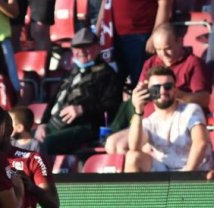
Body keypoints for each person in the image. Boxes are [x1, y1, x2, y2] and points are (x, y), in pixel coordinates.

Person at [105, 23, 212, 155]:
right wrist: (138, 96)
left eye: (168, 48)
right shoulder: (150, 63)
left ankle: (152, 168)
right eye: (158, 49)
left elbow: (204, 99)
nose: (163, 54)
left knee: (126, 148)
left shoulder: (193, 63)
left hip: (178, 124)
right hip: (150, 121)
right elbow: (138, 95)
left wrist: (176, 94)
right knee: (111, 144)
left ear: (180, 41)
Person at [35, 28, 122, 158]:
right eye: (77, 48)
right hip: (54, 124)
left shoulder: (108, 74)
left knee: (44, 145)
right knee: (19, 143)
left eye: (86, 47)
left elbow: (113, 105)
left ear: (97, 48)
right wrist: (42, 124)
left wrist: (82, 109)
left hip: (85, 126)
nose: (81, 51)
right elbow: (53, 101)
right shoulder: (70, 73)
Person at [125, 66, 212, 172]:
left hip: (195, 172)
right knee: (132, 157)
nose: (162, 91)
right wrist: (138, 111)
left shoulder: (191, 110)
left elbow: (200, 143)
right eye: (156, 88)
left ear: (175, 89)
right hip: (165, 171)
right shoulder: (149, 121)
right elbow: (134, 147)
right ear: (148, 92)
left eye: (168, 86)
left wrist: (186, 177)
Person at [106, 0, 172, 88]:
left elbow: (164, 3)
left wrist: (154, 36)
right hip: (113, 36)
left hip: (141, 36)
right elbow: (105, 4)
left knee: (141, 84)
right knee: (113, 85)